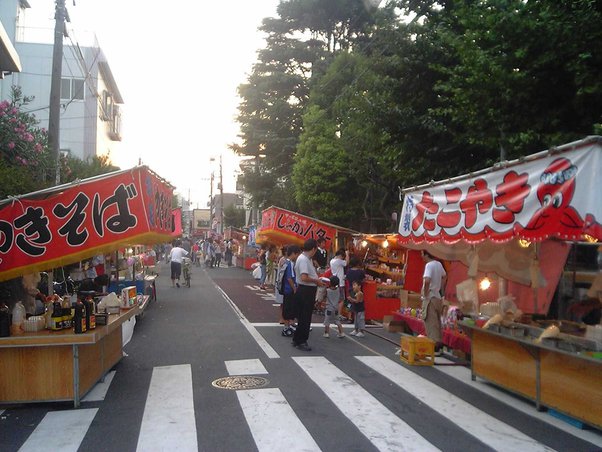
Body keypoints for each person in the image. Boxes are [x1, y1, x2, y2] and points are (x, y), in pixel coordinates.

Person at [293, 239, 328, 351]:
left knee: (303, 316)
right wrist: (316, 281)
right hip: (306, 290)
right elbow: (304, 277)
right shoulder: (304, 259)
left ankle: (297, 339)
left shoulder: (305, 258)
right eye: (315, 249)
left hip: (305, 290)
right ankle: (302, 341)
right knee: (305, 317)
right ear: (313, 249)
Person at [420, 250, 447, 355]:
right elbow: (445, 276)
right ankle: (439, 346)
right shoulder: (439, 264)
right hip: (437, 297)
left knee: (431, 323)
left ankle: (434, 347)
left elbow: (427, 280)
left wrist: (425, 294)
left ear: (426, 254)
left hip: (430, 297)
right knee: (437, 322)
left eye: (422, 254)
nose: (421, 256)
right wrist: (441, 288)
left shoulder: (429, 265)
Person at [281, 245, 300, 337]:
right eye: (297, 254)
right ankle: (287, 327)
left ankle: (287, 326)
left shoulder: (285, 262)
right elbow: (290, 278)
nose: (297, 256)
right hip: (289, 290)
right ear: (293, 254)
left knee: (286, 308)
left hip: (285, 289)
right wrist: (295, 288)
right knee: (289, 308)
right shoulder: (290, 264)